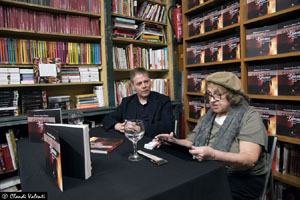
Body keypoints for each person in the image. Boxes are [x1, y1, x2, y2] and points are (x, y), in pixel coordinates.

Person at [156, 72, 268, 200]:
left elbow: (249, 159)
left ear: (233, 95)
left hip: (240, 180)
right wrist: (173, 141)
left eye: (218, 95)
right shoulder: (209, 116)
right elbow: (192, 143)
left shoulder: (249, 116)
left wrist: (213, 155)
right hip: (210, 171)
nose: (212, 100)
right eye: (210, 95)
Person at [102, 67, 174, 138]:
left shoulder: (163, 100)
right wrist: (118, 126)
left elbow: (167, 127)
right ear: (133, 86)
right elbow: (107, 118)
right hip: (132, 142)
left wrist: (139, 128)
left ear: (150, 82)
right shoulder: (127, 102)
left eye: (146, 82)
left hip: (156, 143)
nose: (144, 86)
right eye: (139, 83)